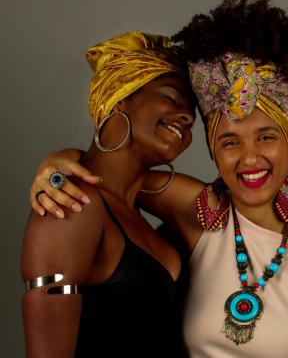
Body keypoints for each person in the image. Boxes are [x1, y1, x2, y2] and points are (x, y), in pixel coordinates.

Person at [27, 0, 288, 358]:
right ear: (214, 153)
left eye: (266, 137)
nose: (250, 157)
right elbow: (111, 174)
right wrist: (61, 162)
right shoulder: (199, 210)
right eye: (229, 142)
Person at [21, 31, 196, 357]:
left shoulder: (135, 212)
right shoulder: (71, 203)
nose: (188, 117)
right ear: (118, 99)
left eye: (191, 112)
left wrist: (66, 157)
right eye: (172, 97)